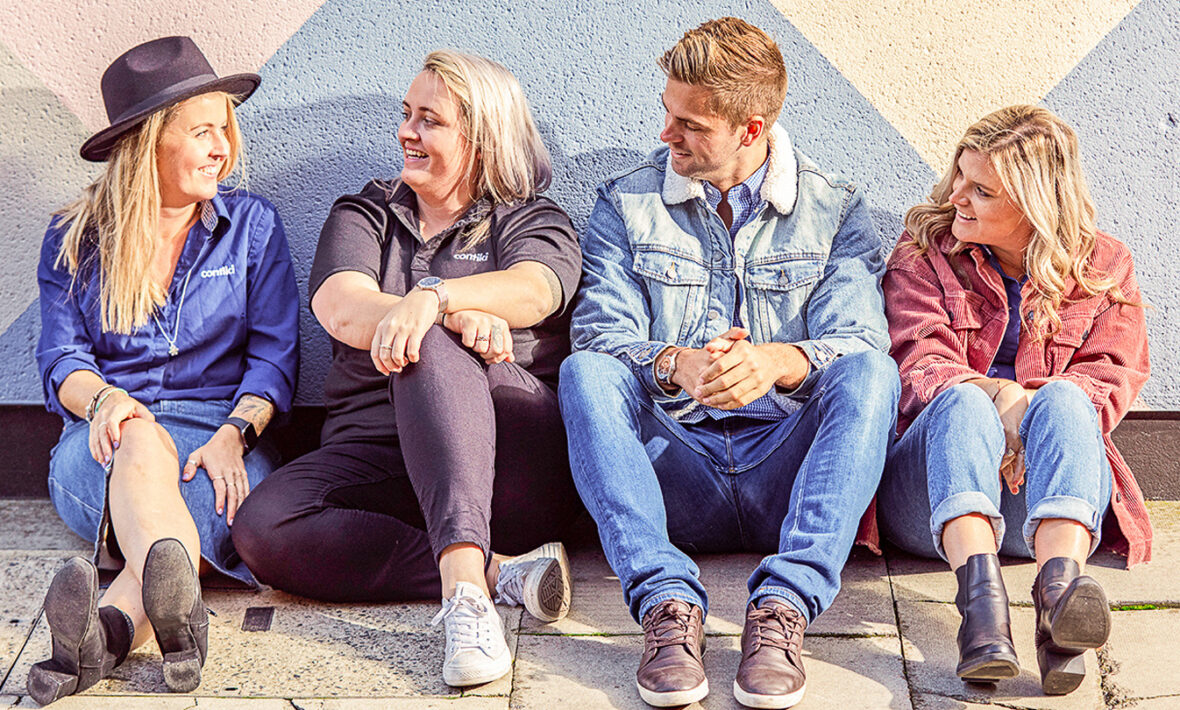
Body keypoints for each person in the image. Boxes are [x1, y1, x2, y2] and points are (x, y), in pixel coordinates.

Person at [558, 18, 899, 709]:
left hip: (787, 468)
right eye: (667, 113)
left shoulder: (834, 208)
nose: (666, 134)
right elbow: (598, 333)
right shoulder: (625, 202)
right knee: (583, 373)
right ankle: (663, 604)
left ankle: (783, 611)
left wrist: (776, 361)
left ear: (751, 129)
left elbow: (860, 339)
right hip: (672, 464)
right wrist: (674, 363)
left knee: (872, 374)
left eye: (690, 124)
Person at [231, 49, 582, 688]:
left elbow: (537, 289)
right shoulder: (368, 213)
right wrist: (440, 312)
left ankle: (465, 605)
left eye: (429, 120)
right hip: (380, 452)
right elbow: (340, 305)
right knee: (261, 527)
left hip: (508, 461)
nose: (406, 132)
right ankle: (499, 574)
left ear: (481, 139)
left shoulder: (532, 219)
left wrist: (436, 300)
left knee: (430, 343)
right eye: (406, 114)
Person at [30, 36, 299, 704]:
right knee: (141, 444)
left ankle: (108, 633)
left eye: (224, 130)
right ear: (150, 142)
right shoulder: (76, 237)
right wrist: (105, 404)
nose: (222, 148)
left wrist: (236, 434)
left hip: (218, 442)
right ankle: (179, 624)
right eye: (202, 131)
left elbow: (274, 356)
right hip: (100, 441)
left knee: (180, 527)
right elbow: (62, 357)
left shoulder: (252, 228)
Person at [880, 105, 1151, 696]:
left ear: (1032, 203)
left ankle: (1059, 601)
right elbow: (916, 361)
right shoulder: (925, 251)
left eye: (981, 190)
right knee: (960, 403)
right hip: (932, 499)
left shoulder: (1104, 265)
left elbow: (1112, 375)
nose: (957, 198)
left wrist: (1027, 416)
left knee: (1067, 400)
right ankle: (982, 613)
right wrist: (998, 395)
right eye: (959, 177)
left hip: (1045, 495)